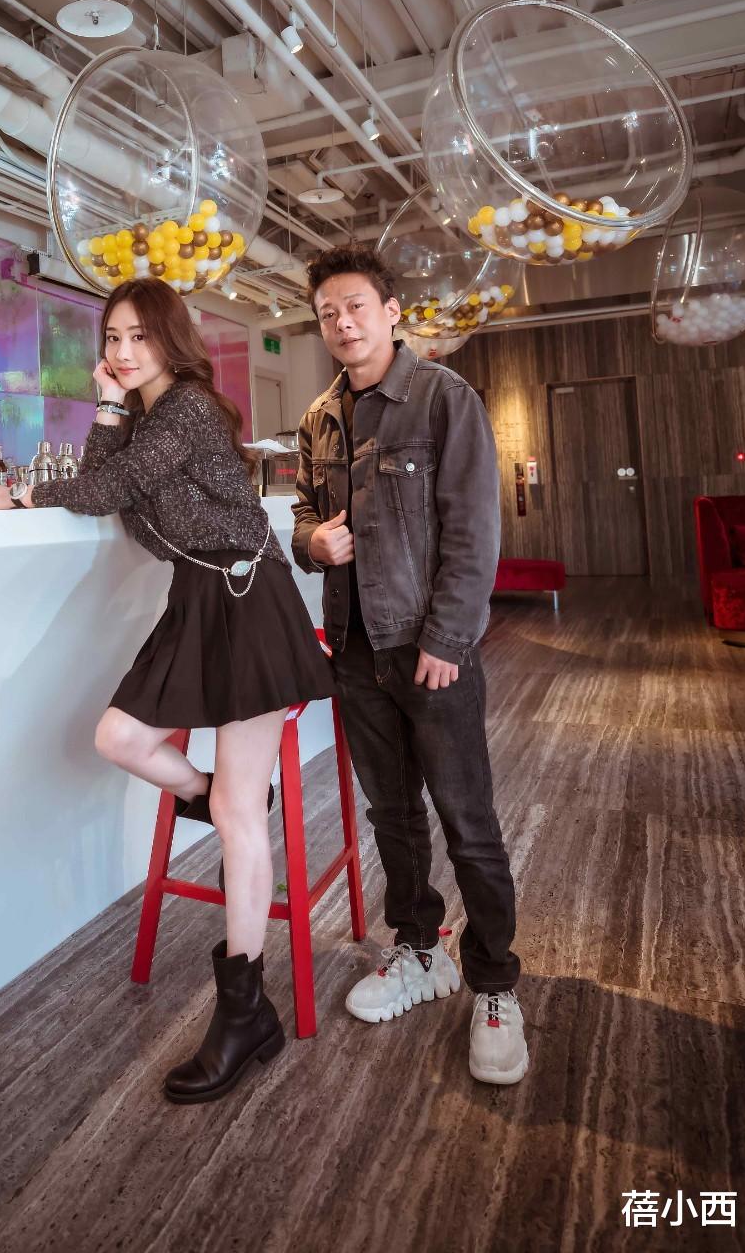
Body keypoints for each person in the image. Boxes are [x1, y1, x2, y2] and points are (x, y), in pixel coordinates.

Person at [0, 277, 335, 1103]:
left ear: (171, 339)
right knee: (119, 737)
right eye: (112, 337)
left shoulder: (190, 411)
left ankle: (246, 1012)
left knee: (238, 817)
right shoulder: (147, 418)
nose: (122, 350)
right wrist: (107, 406)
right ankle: (218, 796)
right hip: (199, 601)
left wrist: (20, 493)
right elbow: (106, 485)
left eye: (138, 336)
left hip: (247, 600)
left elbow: (102, 492)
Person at [291, 245, 527, 1086]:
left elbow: (473, 531)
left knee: (468, 821)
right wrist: (309, 541)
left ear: (391, 312)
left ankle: (495, 984)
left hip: (430, 651)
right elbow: (304, 511)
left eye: (355, 306)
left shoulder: (442, 397)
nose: (342, 323)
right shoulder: (319, 417)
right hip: (355, 652)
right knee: (392, 815)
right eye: (327, 313)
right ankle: (421, 948)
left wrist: (448, 640)